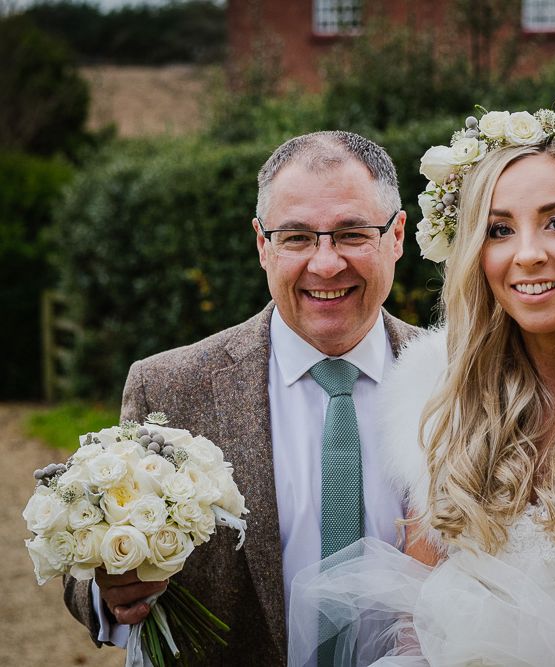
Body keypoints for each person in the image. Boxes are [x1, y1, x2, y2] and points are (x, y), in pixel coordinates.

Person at [288, 103, 555, 666]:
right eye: (500, 229)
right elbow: (419, 594)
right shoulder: (438, 391)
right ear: (476, 250)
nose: (527, 254)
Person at [63, 130, 419, 666]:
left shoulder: (460, 379)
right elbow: (91, 571)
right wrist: (110, 589)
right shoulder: (169, 387)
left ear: (396, 237)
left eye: (351, 234)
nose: (325, 264)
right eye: (296, 237)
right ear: (262, 244)